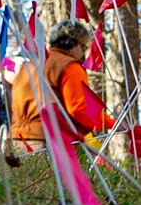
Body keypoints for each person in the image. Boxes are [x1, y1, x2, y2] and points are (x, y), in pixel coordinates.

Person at [9, 20, 114, 150]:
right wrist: (110, 122)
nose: (83, 53)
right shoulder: (70, 66)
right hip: (47, 140)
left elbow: (14, 104)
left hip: (15, 140)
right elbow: (78, 109)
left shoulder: (29, 66)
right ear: (73, 44)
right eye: (83, 47)